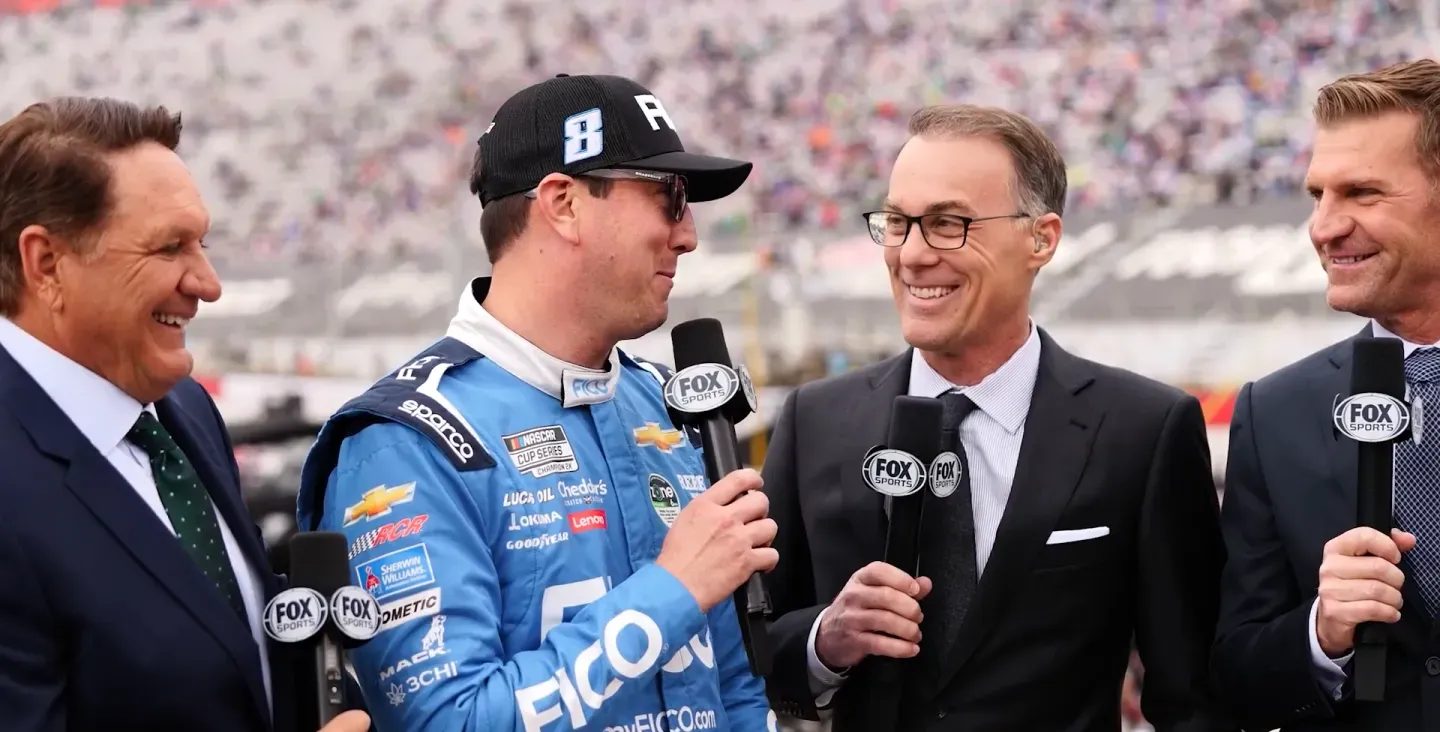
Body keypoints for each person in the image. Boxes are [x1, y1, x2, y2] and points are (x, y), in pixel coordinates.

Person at [294, 73, 780, 732]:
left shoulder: (663, 406)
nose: (688, 234)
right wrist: (669, 592)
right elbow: (447, 721)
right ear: (564, 204)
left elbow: (733, 686)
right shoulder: (407, 441)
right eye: (670, 197)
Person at [760, 104, 1230, 731]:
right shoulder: (816, 420)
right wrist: (826, 641)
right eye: (897, 223)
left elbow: (1191, 694)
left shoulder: (1142, 428)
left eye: (948, 224)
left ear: (1041, 238)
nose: (913, 254)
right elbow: (753, 655)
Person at [0, 97, 369, 732]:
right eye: (169, 247)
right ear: (47, 264)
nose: (208, 282)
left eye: (202, 243)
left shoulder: (185, 411)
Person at [1212, 59, 1440, 731]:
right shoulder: (1273, 413)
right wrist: (1320, 632)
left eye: (1362, 193)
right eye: (1318, 195)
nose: (1323, 226)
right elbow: (1232, 671)